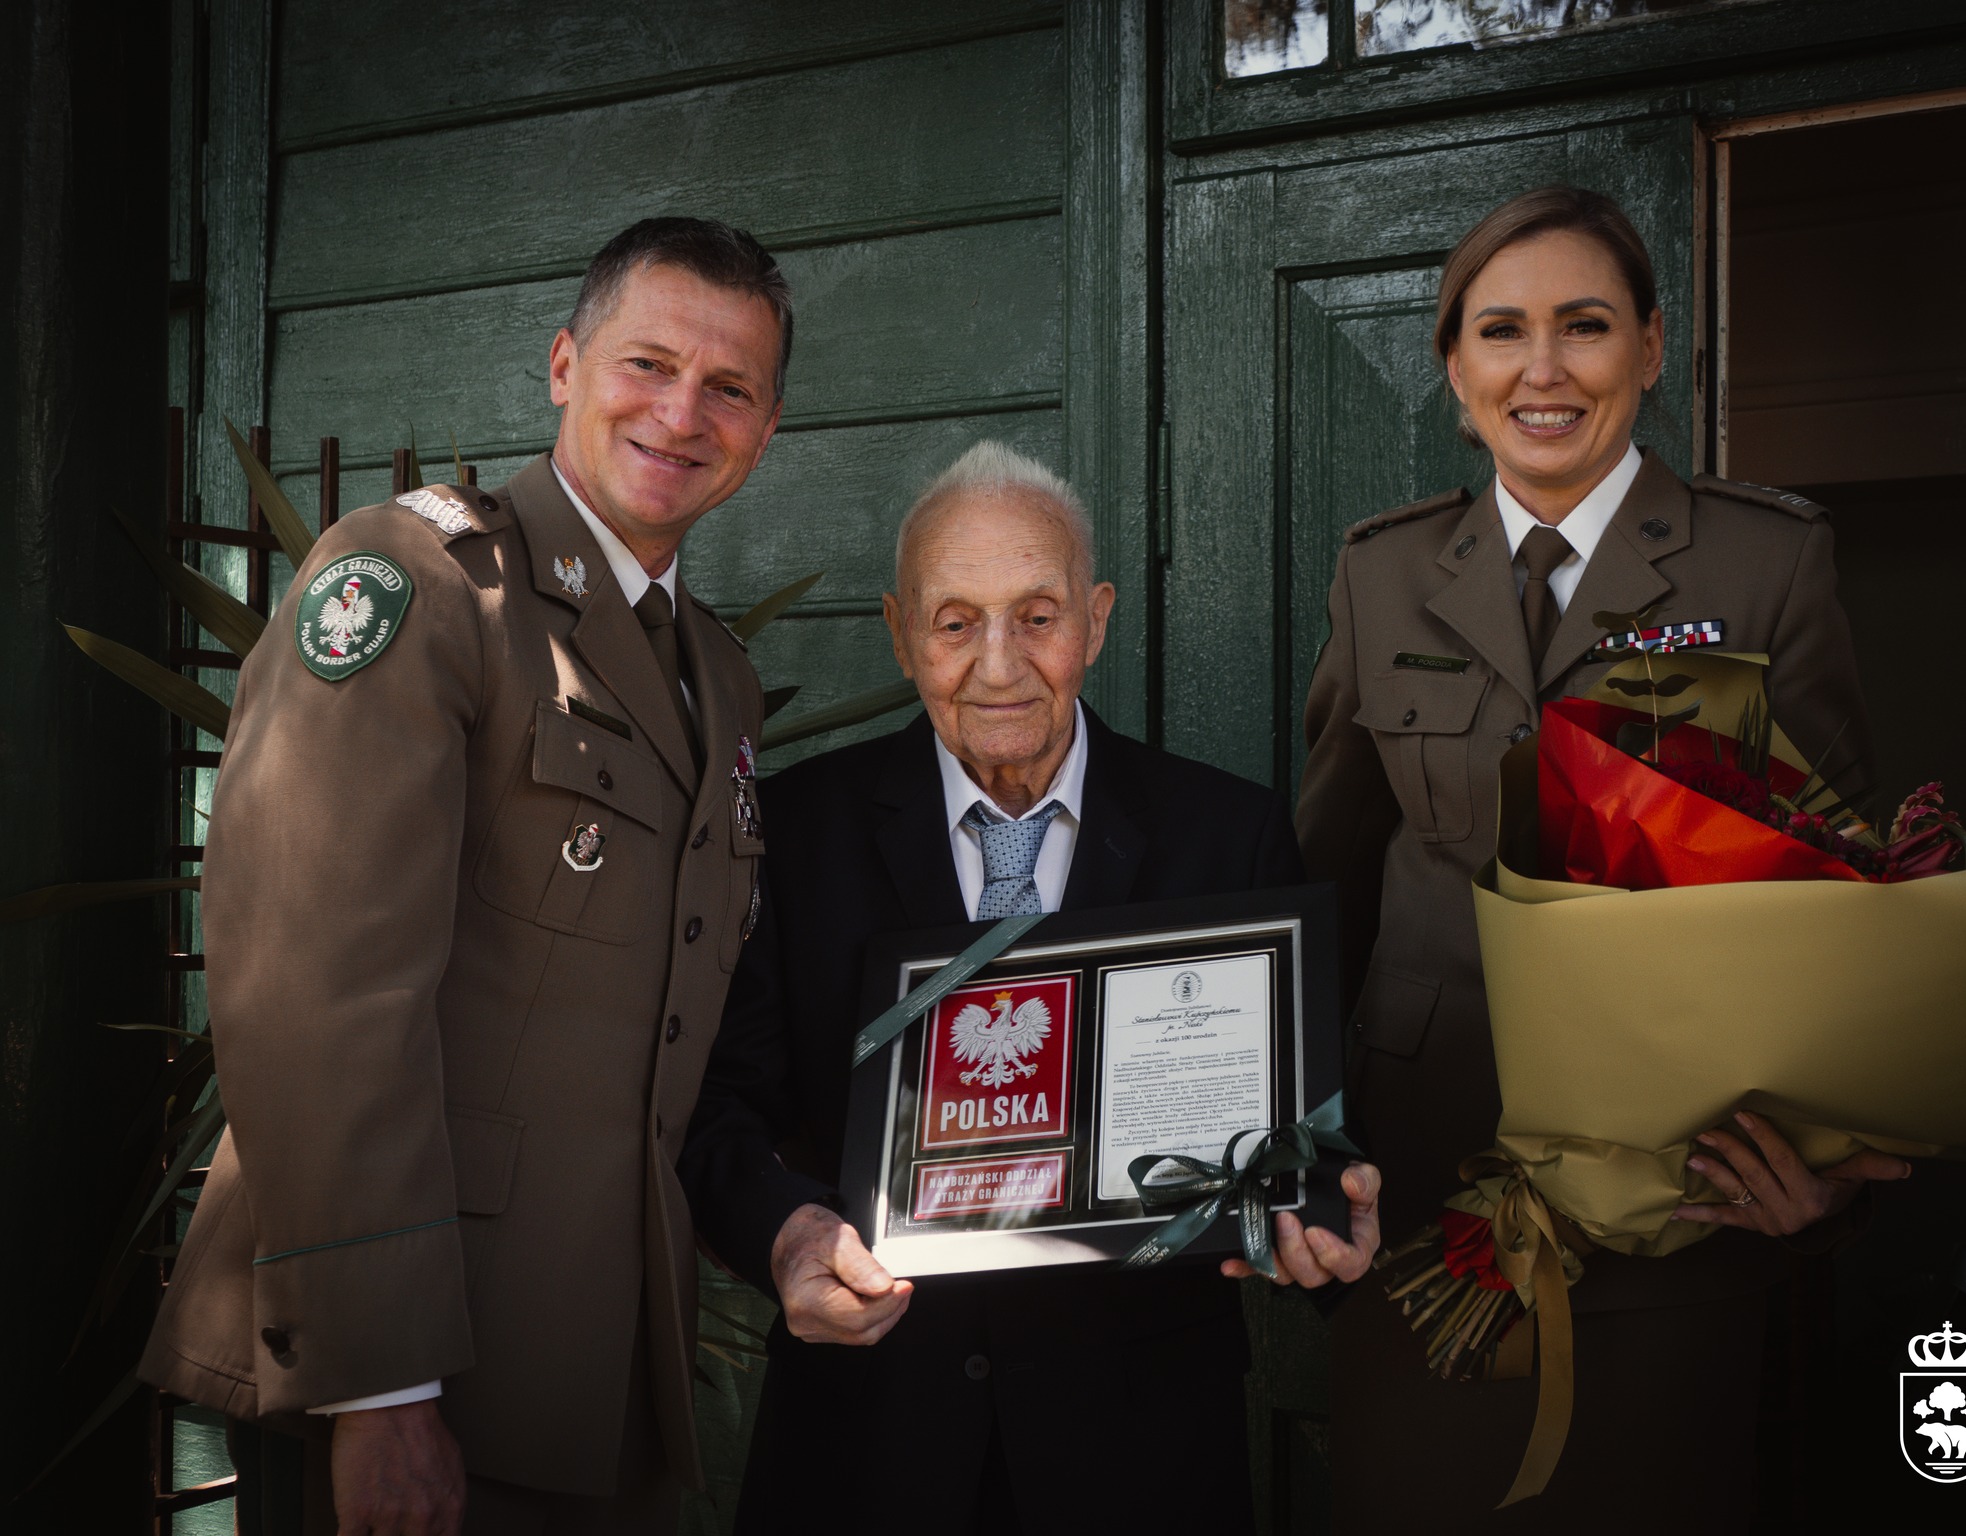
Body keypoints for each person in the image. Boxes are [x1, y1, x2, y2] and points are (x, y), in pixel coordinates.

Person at [139, 216, 790, 1535]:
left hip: (596, 1375)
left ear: (767, 428)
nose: (682, 414)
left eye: (729, 387)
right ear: (562, 365)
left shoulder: (715, 673)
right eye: (647, 364)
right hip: (401, 1367)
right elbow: (314, 981)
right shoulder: (421, 583)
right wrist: (383, 1388)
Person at [1296, 186, 1913, 1532]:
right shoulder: (1382, 576)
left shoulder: (1764, 564)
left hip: (1681, 1218)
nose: (1543, 370)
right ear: (1453, 366)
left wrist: (1826, 1183)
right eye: (1500, 331)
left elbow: (1856, 909)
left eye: (1583, 325)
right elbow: (1326, 889)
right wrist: (1293, 1150)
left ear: (1649, 345)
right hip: (1422, 1208)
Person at [680, 441, 1384, 1534]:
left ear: (1095, 621)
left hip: (1137, 1457)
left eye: (1038, 616)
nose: (999, 665)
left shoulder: (1227, 833)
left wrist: (1325, 1211)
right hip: (867, 1443)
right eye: (955, 622)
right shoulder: (798, 833)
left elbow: (1300, 1136)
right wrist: (784, 1237)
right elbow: (717, 1104)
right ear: (900, 632)